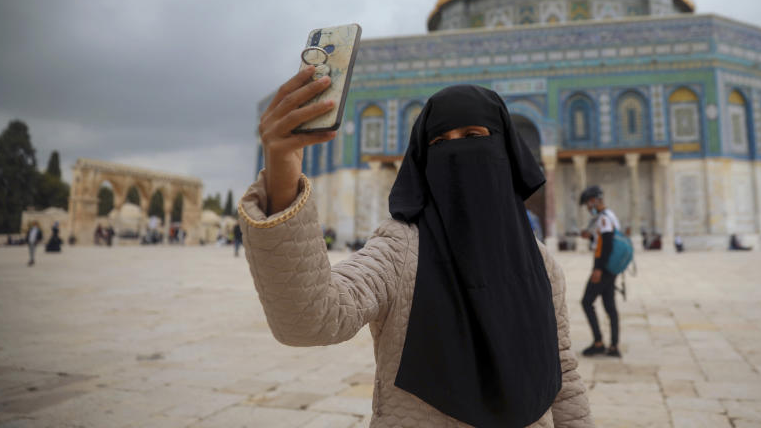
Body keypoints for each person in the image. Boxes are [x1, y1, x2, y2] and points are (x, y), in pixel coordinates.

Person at [240, 74, 592, 428]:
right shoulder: (401, 251)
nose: (457, 153)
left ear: (504, 149)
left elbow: (563, 379)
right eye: (439, 142)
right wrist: (282, 174)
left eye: (472, 137)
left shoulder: (541, 266)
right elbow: (311, 320)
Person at [578, 185, 621, 358]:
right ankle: (614, 347)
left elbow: (607, 245)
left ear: (594, 200)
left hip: (603, 267)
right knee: (609, 306)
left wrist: (598, 269)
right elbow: (602, 240)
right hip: (610, 267)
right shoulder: (608, 216)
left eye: (588, 203)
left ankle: (598, 342)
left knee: (587, 302)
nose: (588, 207)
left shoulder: (604, 219)